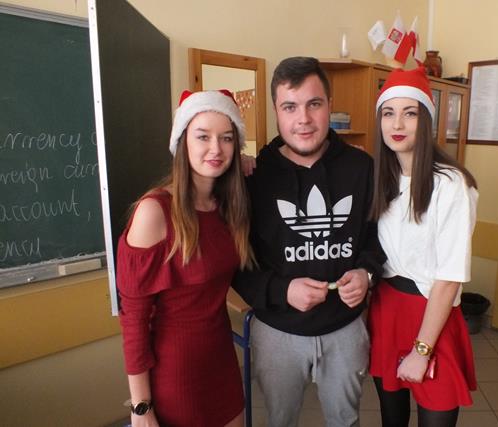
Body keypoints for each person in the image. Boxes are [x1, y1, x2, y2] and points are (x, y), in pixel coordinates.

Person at [232, 56, 385, 427]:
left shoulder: (361, 168)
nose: (303, 119)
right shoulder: (251, 177)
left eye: (313, 104)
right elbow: (236, 262)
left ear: (329, 105)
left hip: (345, 329)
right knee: (280, 422)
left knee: (345, 421)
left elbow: (377, 237)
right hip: (277, 332)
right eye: (290, 107)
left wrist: (366, 273)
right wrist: (282, 290)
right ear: (276, 111)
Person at [116, 89, 253, 427]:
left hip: (222, 360)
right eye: (203, 136)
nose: (215, 148)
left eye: (226, 138)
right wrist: (141, 406)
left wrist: (250, 162)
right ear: (182, 142)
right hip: (176, 373)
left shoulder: (227, 206)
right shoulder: (154, 212)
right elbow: (134, 320)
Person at [367, 66, 478, 427]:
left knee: (436, 416)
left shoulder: (451, 184)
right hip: (387, 309)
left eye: (410, 113)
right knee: (392, 418)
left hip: (432, 316)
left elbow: (449, 276)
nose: (397, 123)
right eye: (388, 113)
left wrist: (422, 349)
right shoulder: (381, 178)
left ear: (426, 120)